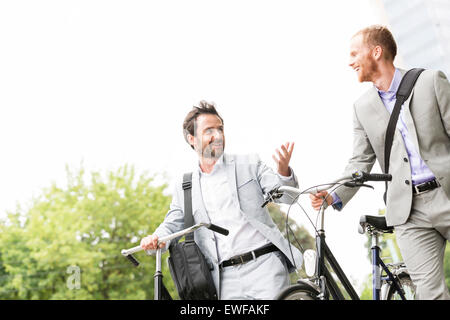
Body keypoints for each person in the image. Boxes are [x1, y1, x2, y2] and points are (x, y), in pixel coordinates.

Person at [310, 25, 450, 300]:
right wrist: (334, 193)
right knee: (430, 294)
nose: (350, 62)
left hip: (447, 191)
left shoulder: (431, 81)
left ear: (376, 51)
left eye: (354, 53)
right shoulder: (361, 108)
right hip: (410, 213)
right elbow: (359, 161)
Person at [141, 101, 302, 299]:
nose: (217, 135)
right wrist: (155, 239)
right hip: (223, 279)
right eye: (209, 130)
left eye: (220, 129)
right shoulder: (185, 185)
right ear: (192, 138)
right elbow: (172, 223)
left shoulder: (250, 164)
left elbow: (289, 197)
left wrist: (283, 171)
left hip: (265, 267)